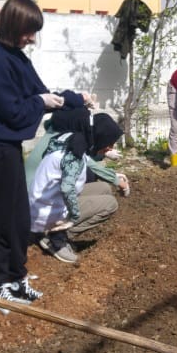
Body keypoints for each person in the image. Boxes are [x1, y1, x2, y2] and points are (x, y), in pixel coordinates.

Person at [0, 0, 88, 303]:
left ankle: (16, 275)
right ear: (13, 25)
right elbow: (15, 112)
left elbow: (41, 93)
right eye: (28, 31)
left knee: (18, 217)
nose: (32, 39)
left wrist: (78, 98)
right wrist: (39, 102)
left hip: (8, 148)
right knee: (0, 217)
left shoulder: (15, 56)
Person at [27, 107, 124, 264]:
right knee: (110, 204)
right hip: (47, 209)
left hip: (45, 198)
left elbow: (89, 162)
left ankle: (56, 231)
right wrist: (73, 217)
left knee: (104, 189)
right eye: (109, 143)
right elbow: (67, 188)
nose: (110, 148)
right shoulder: (74, 155)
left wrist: (113, 177)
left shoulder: (72, 139)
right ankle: (56, 237)